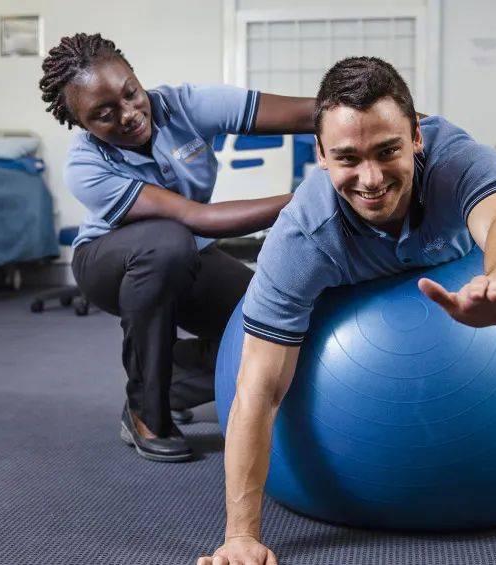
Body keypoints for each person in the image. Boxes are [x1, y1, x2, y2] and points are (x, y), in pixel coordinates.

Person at [198, 57, 496, 565]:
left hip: (470, 282)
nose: (371, 178)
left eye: (388, 151)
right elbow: (258, 390)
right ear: (320, 155)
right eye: (347, 158)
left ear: (417, 136)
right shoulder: (301, 237)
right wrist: (240, 537)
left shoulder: (460, 161)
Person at [39, 33, 315, 462]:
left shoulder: (184, 104)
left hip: (188, 250)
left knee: (274, 322)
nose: (129, 114)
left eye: (131, 93)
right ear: (83, 124)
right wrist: (313, 198)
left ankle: (171, 380)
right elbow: (195, 218)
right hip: (109, 263)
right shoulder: (85, 166)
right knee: (165, 241)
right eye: (104, 114)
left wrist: (399, 122)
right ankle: (146, 412)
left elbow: (306, 114)